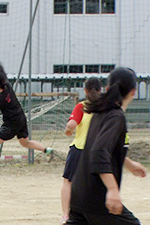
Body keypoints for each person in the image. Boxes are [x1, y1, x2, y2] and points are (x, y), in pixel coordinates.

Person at [68, 67, 147, 225]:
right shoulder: (116, 117)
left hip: (78, 194)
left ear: (107, 88)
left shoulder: (99, 112)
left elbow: (101, 147)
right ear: (133, 92)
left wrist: (128, 163)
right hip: (97, 199)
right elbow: (98, 152)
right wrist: (112, 189)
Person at [0, 62, 54, 172]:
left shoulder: (1, 98)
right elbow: (3, 73)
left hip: (11, 123)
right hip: (21, 118)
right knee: (25, 143)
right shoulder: (8, 86)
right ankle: (46, 150)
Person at [60, 77, 102, 224]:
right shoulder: (105, 107)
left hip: (78, 150)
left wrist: (67, 130)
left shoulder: (82, 106)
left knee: (68, 182)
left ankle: (66, 215)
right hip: (97, 152)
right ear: (100, 90)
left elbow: (71, 125)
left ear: (85, 90)